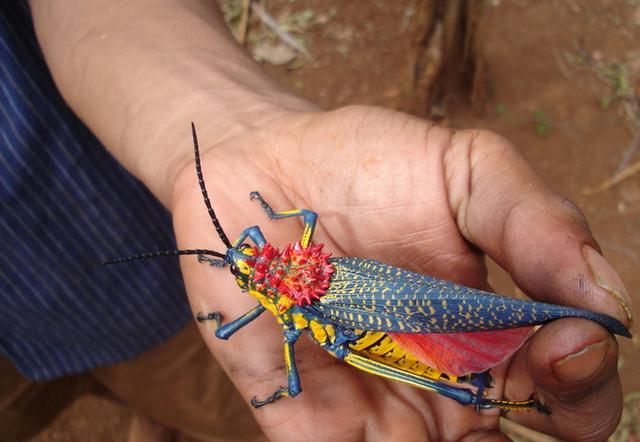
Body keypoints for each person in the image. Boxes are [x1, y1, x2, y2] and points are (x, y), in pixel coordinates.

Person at [1, 0, 632, 440]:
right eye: (244, 262)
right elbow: (290, 233)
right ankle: (160, 415)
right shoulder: (286, 266)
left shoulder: (277, 289)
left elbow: (265, 341)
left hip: (349, 314)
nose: (243, 255)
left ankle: (478, 383)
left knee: (340, 350)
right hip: (35, 326)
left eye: (245, 258)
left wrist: (232, 137)